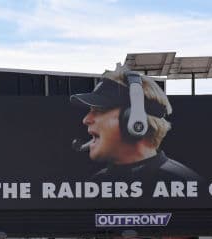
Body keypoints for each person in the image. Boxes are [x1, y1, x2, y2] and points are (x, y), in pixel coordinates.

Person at [72, 66, 200, 185]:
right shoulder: (95, 183)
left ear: (134, 119)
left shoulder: (188, 182)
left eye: (99, 110)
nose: (86, 119)